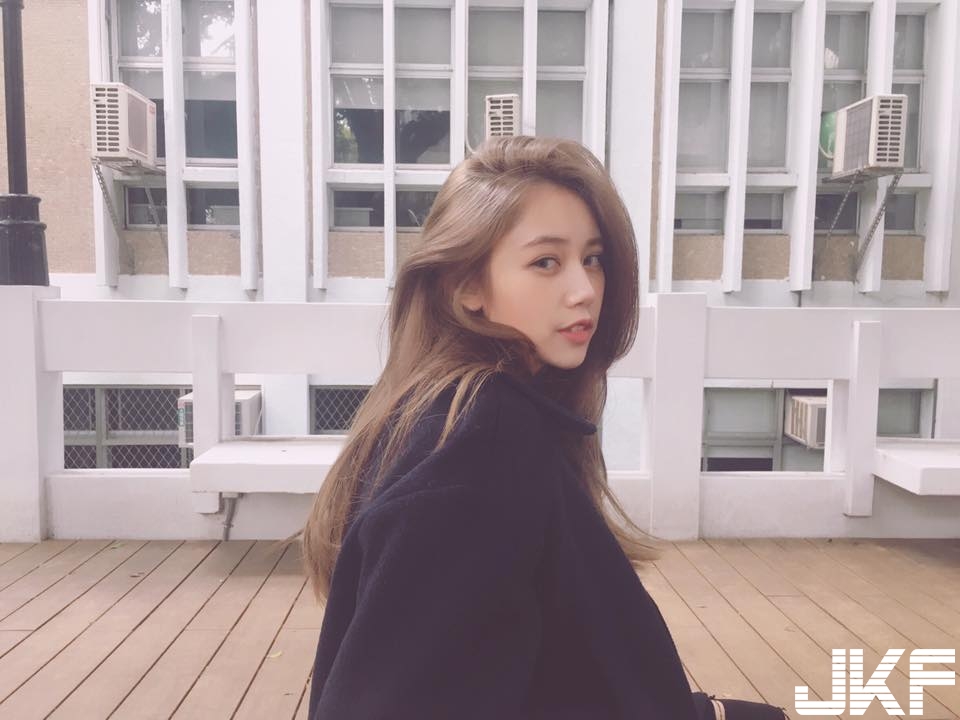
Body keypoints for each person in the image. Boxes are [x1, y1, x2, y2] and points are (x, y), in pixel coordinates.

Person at [298, 136, 788, 719]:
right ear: (467, 286)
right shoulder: (478, 446)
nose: (584, 290)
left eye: (593, 259)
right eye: (546, 262)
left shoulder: (466, 412)